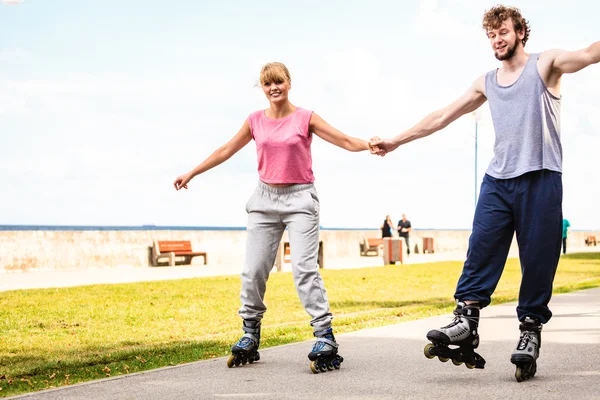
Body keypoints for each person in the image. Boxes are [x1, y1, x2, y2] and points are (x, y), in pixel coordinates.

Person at [370, 5, 599, 381]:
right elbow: (442, 115)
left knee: (538, 261)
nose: (497, 39)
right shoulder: (487, 82)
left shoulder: (546, 64)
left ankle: (529, 331)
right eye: (491, 35)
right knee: (481, 249)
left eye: (504, 32)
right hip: (498, 180)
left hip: (540, 177)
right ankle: (466, 320)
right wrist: (396, 140)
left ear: (521, 32)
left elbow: (590, 54)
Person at [173, 62, 371, 373]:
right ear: (262, 89)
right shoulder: (254, 121)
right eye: (267, 84)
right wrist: (192, 173)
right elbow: (226, 149)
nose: (273, 87)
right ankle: (250, 333)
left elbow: (344, 140)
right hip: (264, 200)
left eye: (278, 81)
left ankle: (325, 337)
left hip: (300, 199)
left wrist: (369, 145)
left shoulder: (306, 117)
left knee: (304, 269)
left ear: (289, 83)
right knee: (253, 271)